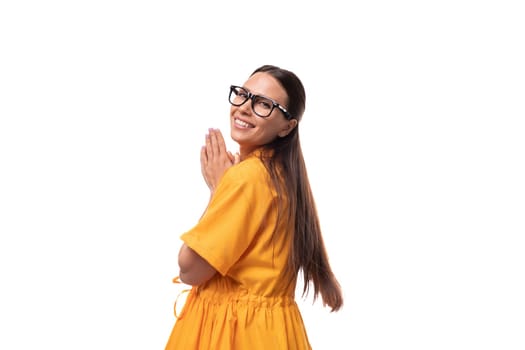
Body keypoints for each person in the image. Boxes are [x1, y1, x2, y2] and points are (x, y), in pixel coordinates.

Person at [165, 64, 343, 350]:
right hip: (273, 331)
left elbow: (190, 270)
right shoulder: (281, 175)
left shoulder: (247, 178)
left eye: (263, 104)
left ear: (287, 126)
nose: (245, 108)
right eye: (243, 95)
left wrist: (217, 191)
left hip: (234, 335)